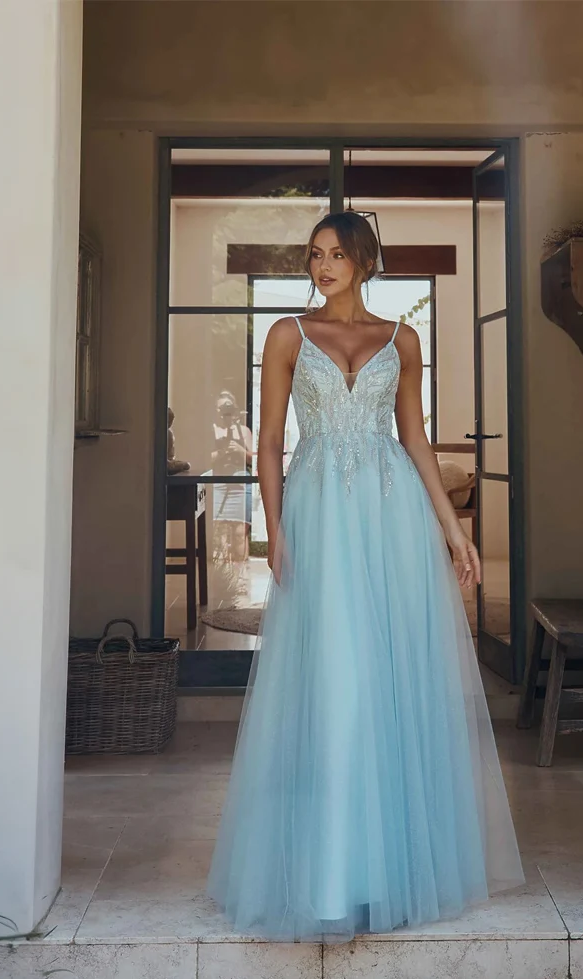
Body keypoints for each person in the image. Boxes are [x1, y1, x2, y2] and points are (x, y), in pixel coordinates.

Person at [206, 212, 524, 941]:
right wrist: (275, 532)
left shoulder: (401, 341)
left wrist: (453, 533)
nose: (322, 266)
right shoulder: (287, 335)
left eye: (336, 254)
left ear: (364, 260)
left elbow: (413, 437)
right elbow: (270, 444)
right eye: (315, 255)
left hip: (391, 520)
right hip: (318, 516)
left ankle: (382, 876)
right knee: (334, 684)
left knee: (385, 685)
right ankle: (325, 877)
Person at [208, 391, 253, 561]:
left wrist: (241, 451)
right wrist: (222, 452)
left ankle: (242, 576)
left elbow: (254, 458)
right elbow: (204, 457)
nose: (225, 413)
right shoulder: (211, 429)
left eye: (229, 408)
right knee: (218, 530)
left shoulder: (243, 431)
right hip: (218, 480)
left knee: (240, 532)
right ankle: (220, 577)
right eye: (222, 408)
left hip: (240, 481)